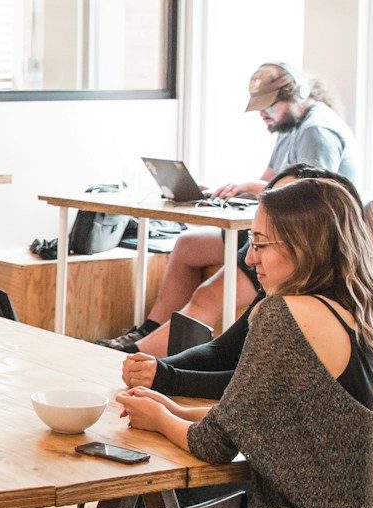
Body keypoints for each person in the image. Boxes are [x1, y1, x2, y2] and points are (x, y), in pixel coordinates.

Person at [114, 178, 373, 508]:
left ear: (305, 246)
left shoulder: (285, 315)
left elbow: (213, 445)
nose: (251, 258)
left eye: (261, 244)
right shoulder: (371, 310)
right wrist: (172, 409)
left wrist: (159, 418)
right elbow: (278, 421)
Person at [100, 63, 359, 353]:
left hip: (298, 242)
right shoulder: (290, 126)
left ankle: (138, 356)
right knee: (187, 246)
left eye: (269, 106)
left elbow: (310, 200)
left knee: (208, 295)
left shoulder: (317, 131)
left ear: (295, 95)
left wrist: (252, 187)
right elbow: (270, 181)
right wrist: (234, 191)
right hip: (275, 230)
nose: (263, 114)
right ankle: (148, 332)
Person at [120, 165, 365, 398]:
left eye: (261, 242)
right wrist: (155, 367)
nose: (249, 258)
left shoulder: (300, 311)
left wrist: (164, 378)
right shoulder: (294, 289)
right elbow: (225, 352)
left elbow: (249, 392)